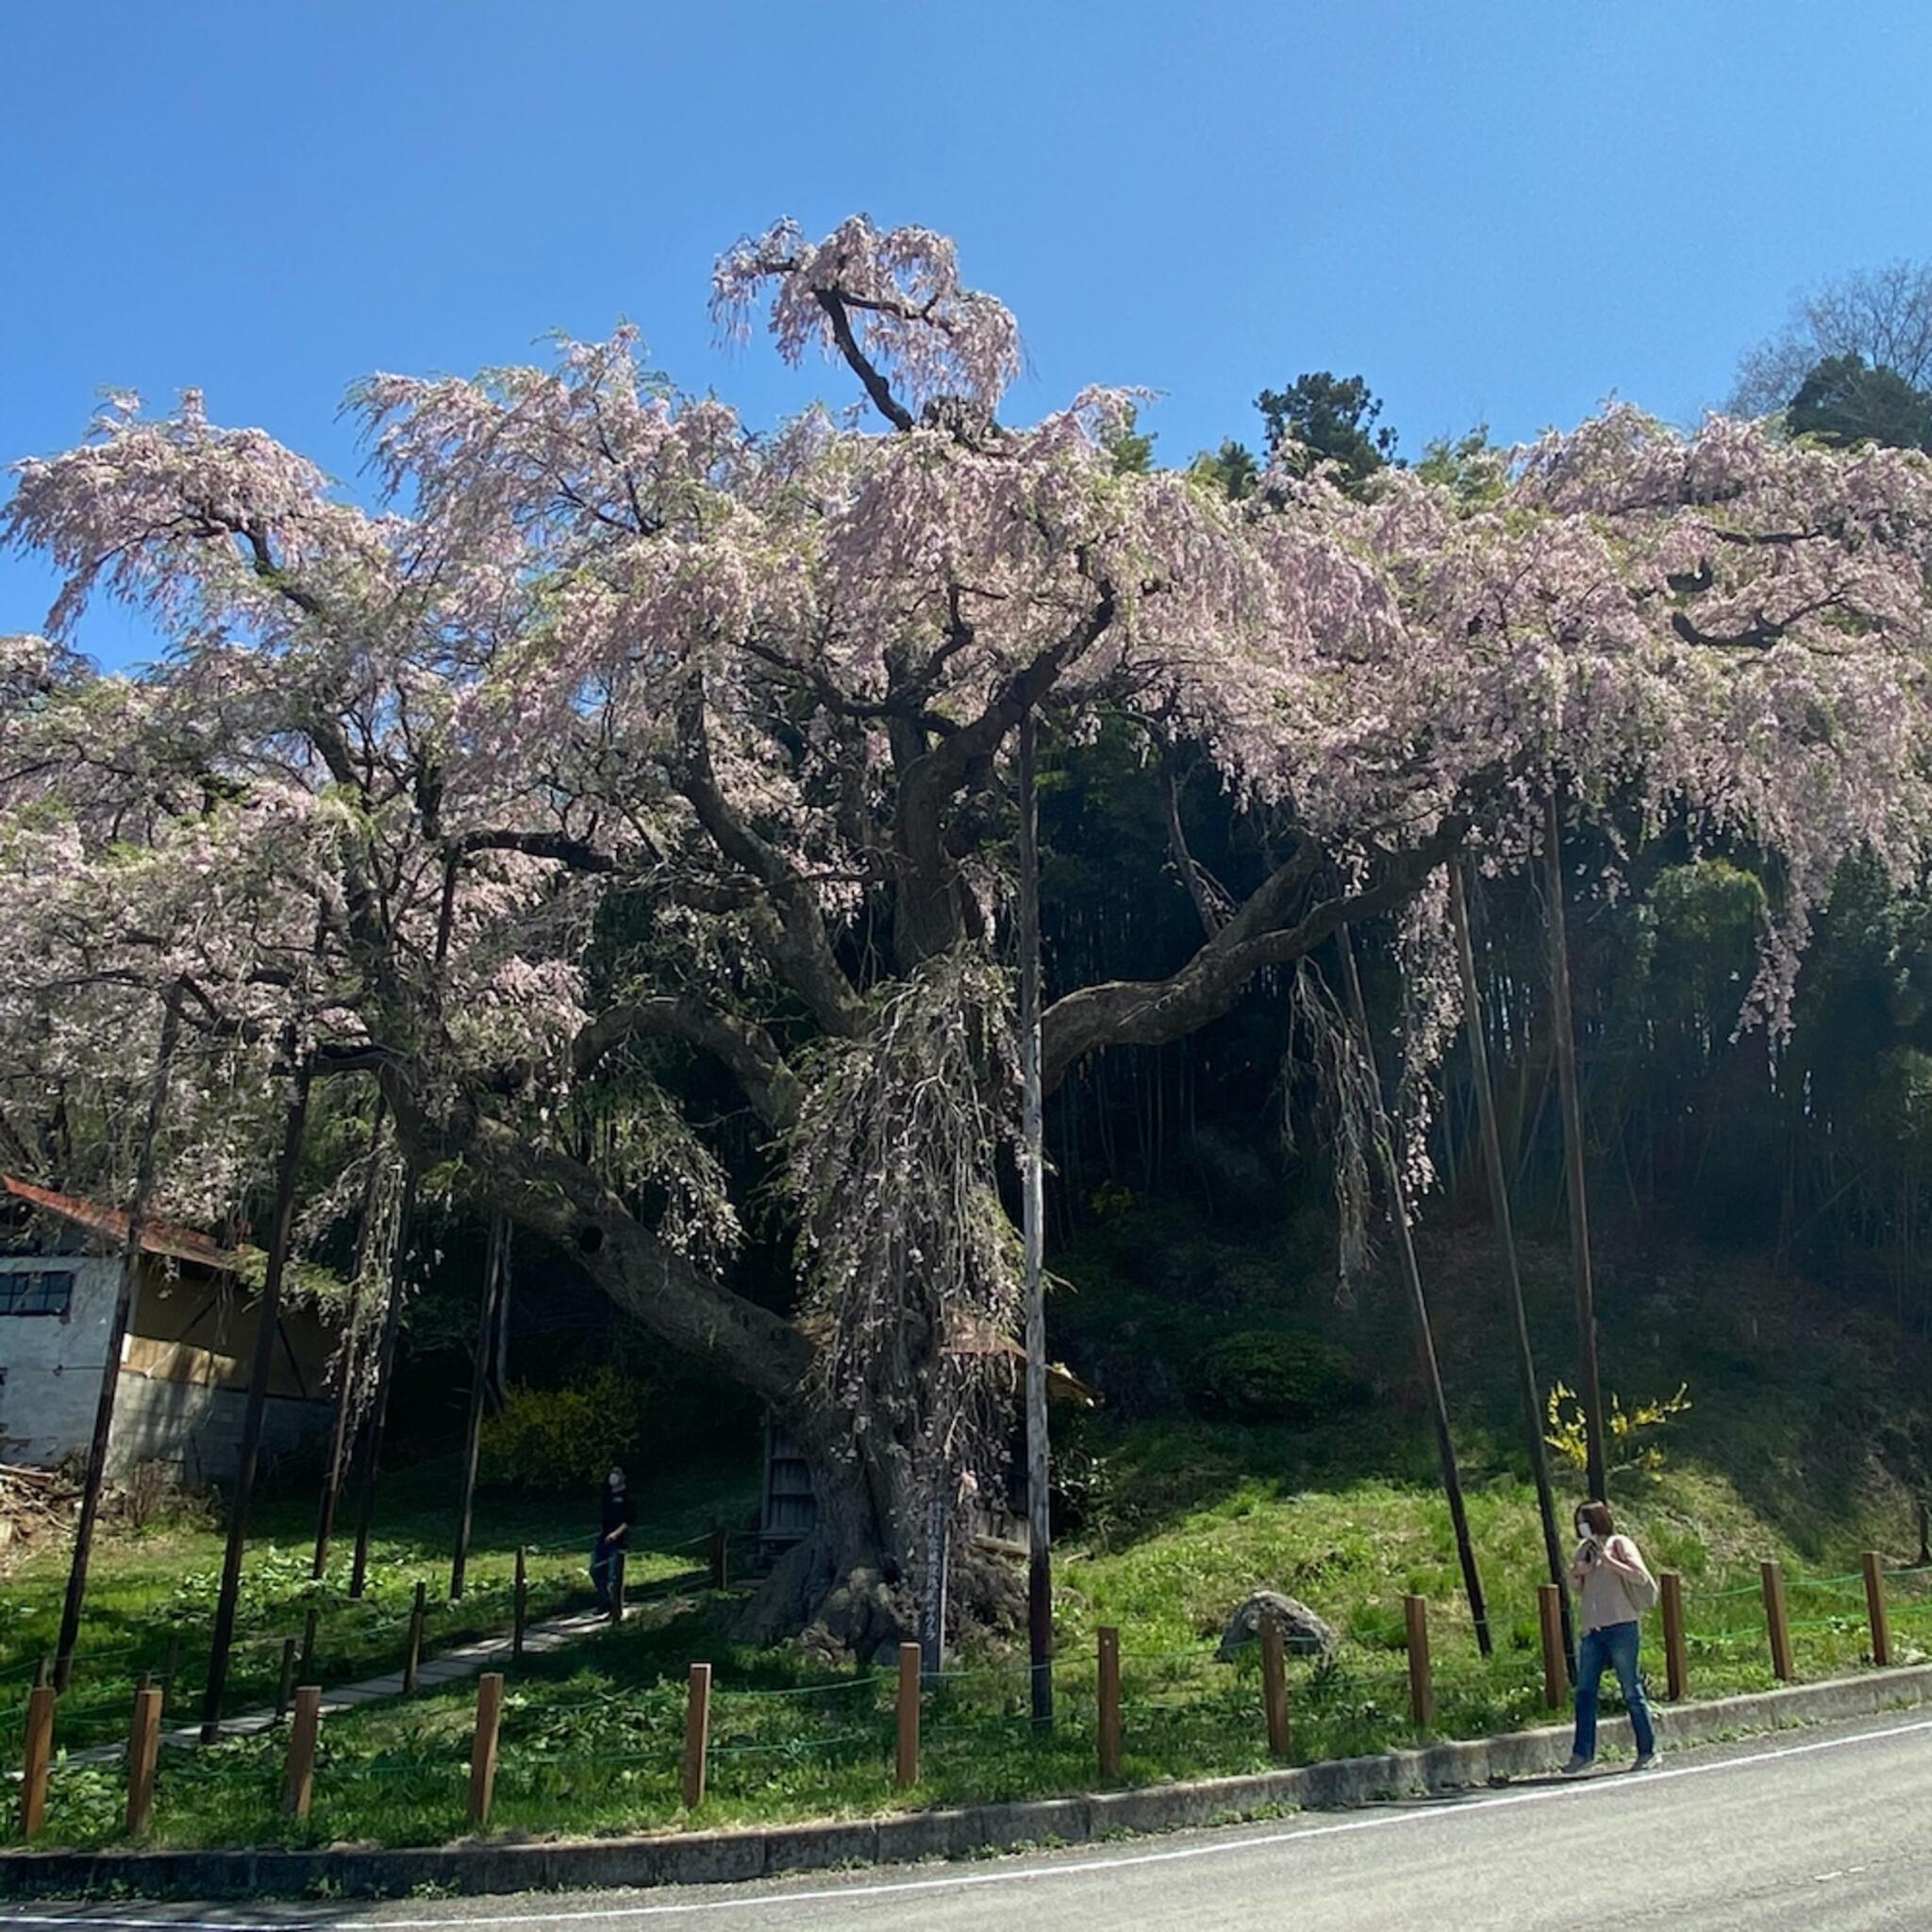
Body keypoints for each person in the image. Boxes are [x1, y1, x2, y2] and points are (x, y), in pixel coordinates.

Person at [1564, 1498, 1659, 1774]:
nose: (1581, 1525)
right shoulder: (1583, 1549)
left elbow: (1640, 1576)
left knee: (1631, 1690)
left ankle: (1647, 1750)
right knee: (1584, 1693)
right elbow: (1575, 1586)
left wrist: (1610, 1562)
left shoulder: (1620, 1544)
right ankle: (1582, 1753)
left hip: (1621, 1626)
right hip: (1592, 1630)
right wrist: (1578, 1572)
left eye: (1584, 1519)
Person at [591, 1465, 633, 1611]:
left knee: (612, 1574)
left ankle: (615, 1606)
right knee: (595, 1571)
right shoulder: (606, 1494)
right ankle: (605, 1600)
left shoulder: (627, 1496)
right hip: (603, 1538)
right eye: (612, 1473)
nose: (613, 1477)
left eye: (617, 1474)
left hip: (618, 1541)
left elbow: (629, 1520)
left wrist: (616, 1534)